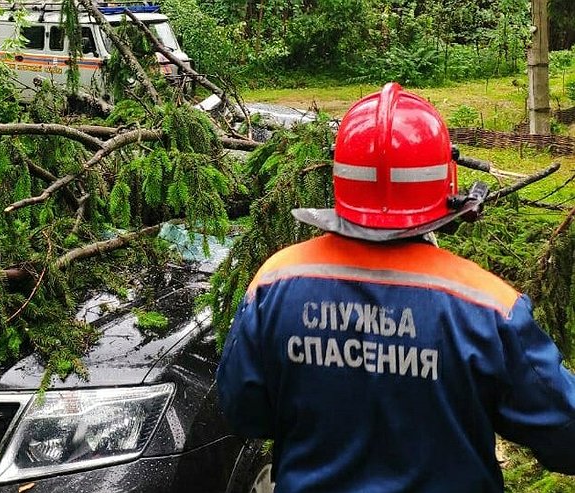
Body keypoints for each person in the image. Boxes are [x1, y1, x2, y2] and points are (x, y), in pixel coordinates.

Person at [216, 82, 575, 492]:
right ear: (448, 186)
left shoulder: (275, 282)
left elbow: (243, 412)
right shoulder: (488, 307)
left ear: (341, 180)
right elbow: (565, 434)